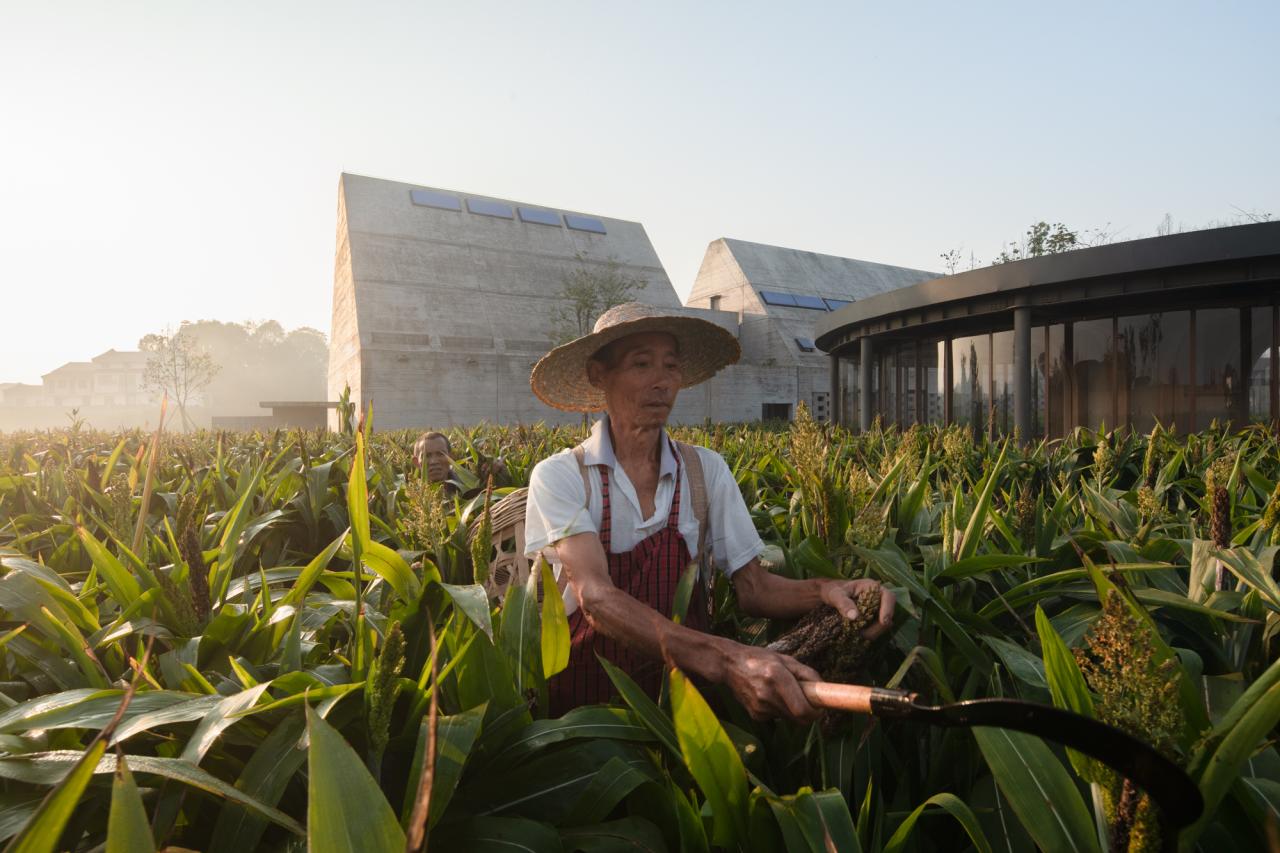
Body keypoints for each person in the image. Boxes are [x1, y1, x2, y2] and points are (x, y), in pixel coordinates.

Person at [524, 303, 895, 721]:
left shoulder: (705, 471)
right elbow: (596, 597)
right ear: (599, 374)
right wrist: (727, 658)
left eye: (671, 366)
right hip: (588, 710)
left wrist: (828, 590)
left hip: (688, 708)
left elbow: (754, 588)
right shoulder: (563, 475)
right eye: (641, 364)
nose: (662, 382)